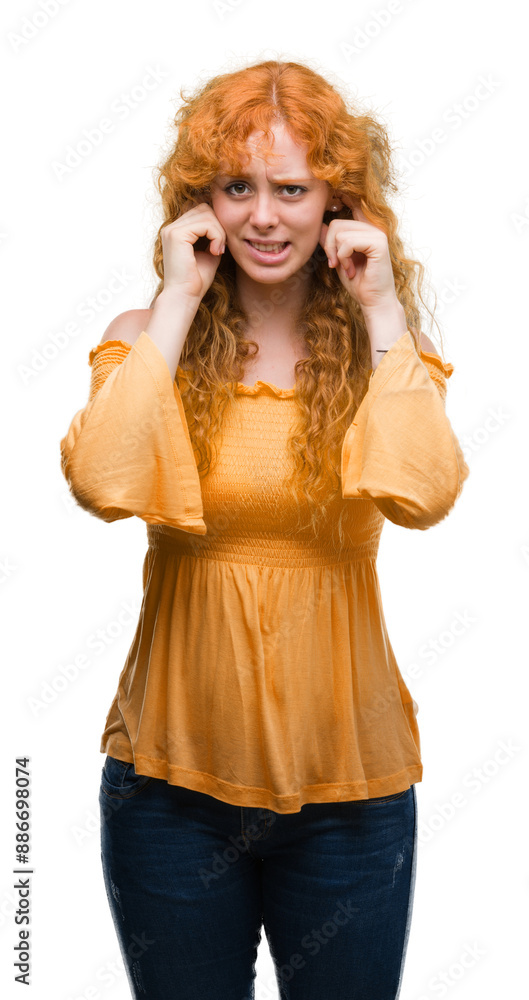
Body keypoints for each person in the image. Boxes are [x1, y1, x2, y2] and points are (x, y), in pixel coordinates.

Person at [59, 58, 469, 1000]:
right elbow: (101, 480)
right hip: (169, 794)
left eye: (292, 189)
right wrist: (176, 302)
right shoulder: (147, 335)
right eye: (237, 187)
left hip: (350, 795)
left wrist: (380, 310)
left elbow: (425, 493)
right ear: (198, 199)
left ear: (337, 201)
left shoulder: (384, 355)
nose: (264, 217)